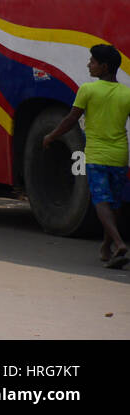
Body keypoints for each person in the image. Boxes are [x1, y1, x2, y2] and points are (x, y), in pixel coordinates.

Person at [42, 44, 130, 268]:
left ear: (104, 66)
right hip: (120, 155)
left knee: (100, 201)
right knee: (116, 202)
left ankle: (119, 243)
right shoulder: (127, 93)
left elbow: (71, 119)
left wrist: (51, 136)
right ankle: (106, 246)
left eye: (92, 62)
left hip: (96, 155)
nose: (88, 65)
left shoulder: (88, 90)